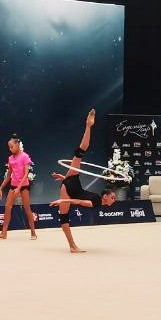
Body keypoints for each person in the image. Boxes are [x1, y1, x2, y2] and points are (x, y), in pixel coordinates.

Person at [49, 108, 116, 253]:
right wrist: (63, 200)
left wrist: (65, 180)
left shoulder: (97, 200)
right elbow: (78, 201)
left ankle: (72, 246)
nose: (114, 199)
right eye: (113, 197)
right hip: (71, 187)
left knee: (64, 218)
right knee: (80, 152)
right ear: (105, 196)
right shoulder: (96, 202)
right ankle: (88, 125)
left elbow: (79, 198)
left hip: (72, 184)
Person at [0, 133, 37, 240]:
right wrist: (1, 188)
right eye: (9, 147)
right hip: (13, 186)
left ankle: (33, 233)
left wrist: (19, 187)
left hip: (23, 186)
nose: (10, 149)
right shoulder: (10, 158)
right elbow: (9, 176)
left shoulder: (25, 156)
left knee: (27, 208)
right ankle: (4, 233)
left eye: (12, 147)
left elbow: (26, 174)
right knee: (7, 207)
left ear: (18, 145)